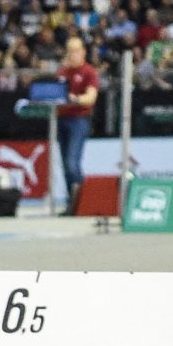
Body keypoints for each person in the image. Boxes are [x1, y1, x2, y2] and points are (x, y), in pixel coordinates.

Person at [56, 35, 99, 213]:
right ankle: (72, 204)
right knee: (66, 165)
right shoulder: (62, 73)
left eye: (75, 51)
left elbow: (91, 97)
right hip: (62, 119)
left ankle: (84, 200)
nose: (72, 55)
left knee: (72, 162)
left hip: (78, 120)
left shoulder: (89, 72)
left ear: (82, 52)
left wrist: (76, 99)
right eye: (69, 51)